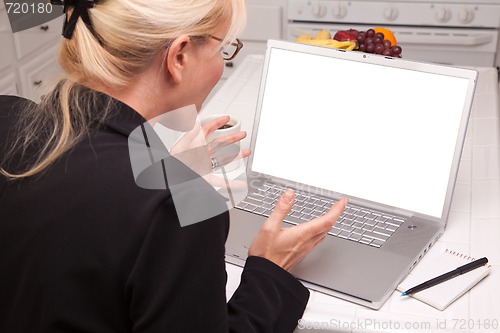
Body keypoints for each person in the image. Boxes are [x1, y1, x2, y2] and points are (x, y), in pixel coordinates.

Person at [0, 0, 347, 332]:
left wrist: (165, 170)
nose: (221, 64)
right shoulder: (178, 207)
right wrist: (269, 270)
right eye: (223, 50)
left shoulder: (7, 114)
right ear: (179, 56)